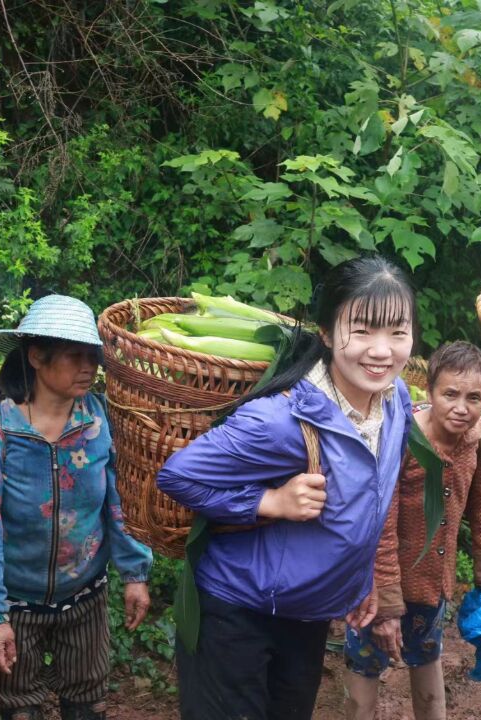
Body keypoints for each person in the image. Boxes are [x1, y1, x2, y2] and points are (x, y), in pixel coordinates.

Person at [156, 255, 418, 720]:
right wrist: (270, 500)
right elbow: (178, 475)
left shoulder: (396, 400)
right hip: (237, 610)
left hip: (306, 612)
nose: (382, 350)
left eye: (397, 332)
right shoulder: (282, 420)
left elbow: (370, 499)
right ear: (325, 332)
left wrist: (361, 577)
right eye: (361, 330)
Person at [0, 295, 154, 720]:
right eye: (74, 355)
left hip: (85, 595)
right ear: (37, 356)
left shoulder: (99, 422)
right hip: (14, 602)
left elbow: (118, 503)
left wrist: (135, 573)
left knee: (88, 703)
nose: (88, 366)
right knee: (18, 707)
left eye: (93, 356)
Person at [343, 341, 481, 720]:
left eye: (474, 397)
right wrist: (384, 606)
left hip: (432, 586)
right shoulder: (401, 435)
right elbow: (380, 522)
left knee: (430, 685)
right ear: (430, 391)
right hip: (373, 584)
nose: (461, 407)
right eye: (450, 394)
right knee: (362, 685)